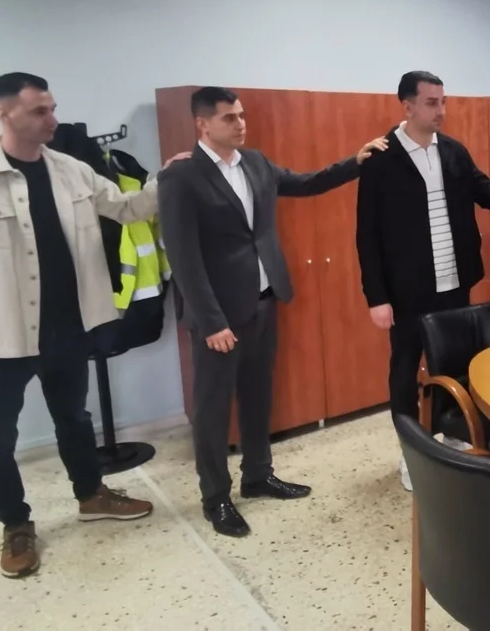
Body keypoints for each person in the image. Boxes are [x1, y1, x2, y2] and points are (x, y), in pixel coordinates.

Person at [0, 72, 185, 578]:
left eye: (51, 108)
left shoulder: (71, 170)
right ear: (3, 113)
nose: (52, 119)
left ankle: (91, 495)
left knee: (74, 419)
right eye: (39, 111)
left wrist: (166, 178)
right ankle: (15, 525)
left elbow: (127, 208)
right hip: (4, 335)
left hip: (69, 325)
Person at [158, 87, 386, 538]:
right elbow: (183, 258)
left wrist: (354, 162)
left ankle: (258, 476)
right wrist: (211, 321)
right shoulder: (181, 177)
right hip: (220, 317)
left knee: (259, 395)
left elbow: (306, 182)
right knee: (212, 410)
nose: (240, 124)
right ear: (203, 124)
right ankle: (216, 497)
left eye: (241, 115)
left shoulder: (255, 162)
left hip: (263, 301)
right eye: (229, 118)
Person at [356, 71, 490, 491]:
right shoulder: (381, 160)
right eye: (431, 102)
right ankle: (413, 452)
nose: (441, 110)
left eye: (443, 101)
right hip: (405, 290)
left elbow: (488, 195)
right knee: (405, 368)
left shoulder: (454, 152)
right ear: (407, 105)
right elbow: (366, 234)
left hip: (454, 282)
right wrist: (376, 297)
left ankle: (452, 437)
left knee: (451, 366)